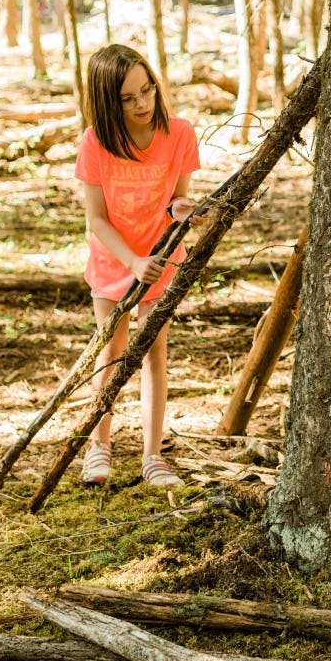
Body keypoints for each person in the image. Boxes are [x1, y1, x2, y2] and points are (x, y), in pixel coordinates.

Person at [74, 44, 204, 489]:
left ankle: (152, 457)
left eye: (147, 90)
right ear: (110, 102)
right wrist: (132, 262)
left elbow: (174, 202)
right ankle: (99, 448)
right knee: (110, 355)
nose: (143, 103)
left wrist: (187, 212)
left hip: (160, 263)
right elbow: (96, 218)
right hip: (115, 265)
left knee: (153, 353)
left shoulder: (180, 133)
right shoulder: (96, 142)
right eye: (128, 98)